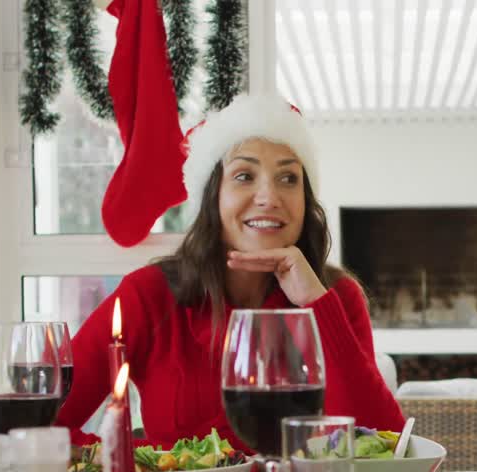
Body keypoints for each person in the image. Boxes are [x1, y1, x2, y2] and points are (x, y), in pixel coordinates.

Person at [56, 94, 405, 452]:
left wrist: (318, 305)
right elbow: (42, 425)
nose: (269, 197)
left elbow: (385, 446)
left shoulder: (336, 297)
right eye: (244, 175)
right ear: (213, 197)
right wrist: (142, 467)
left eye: (288, 178)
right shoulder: (147, 295)